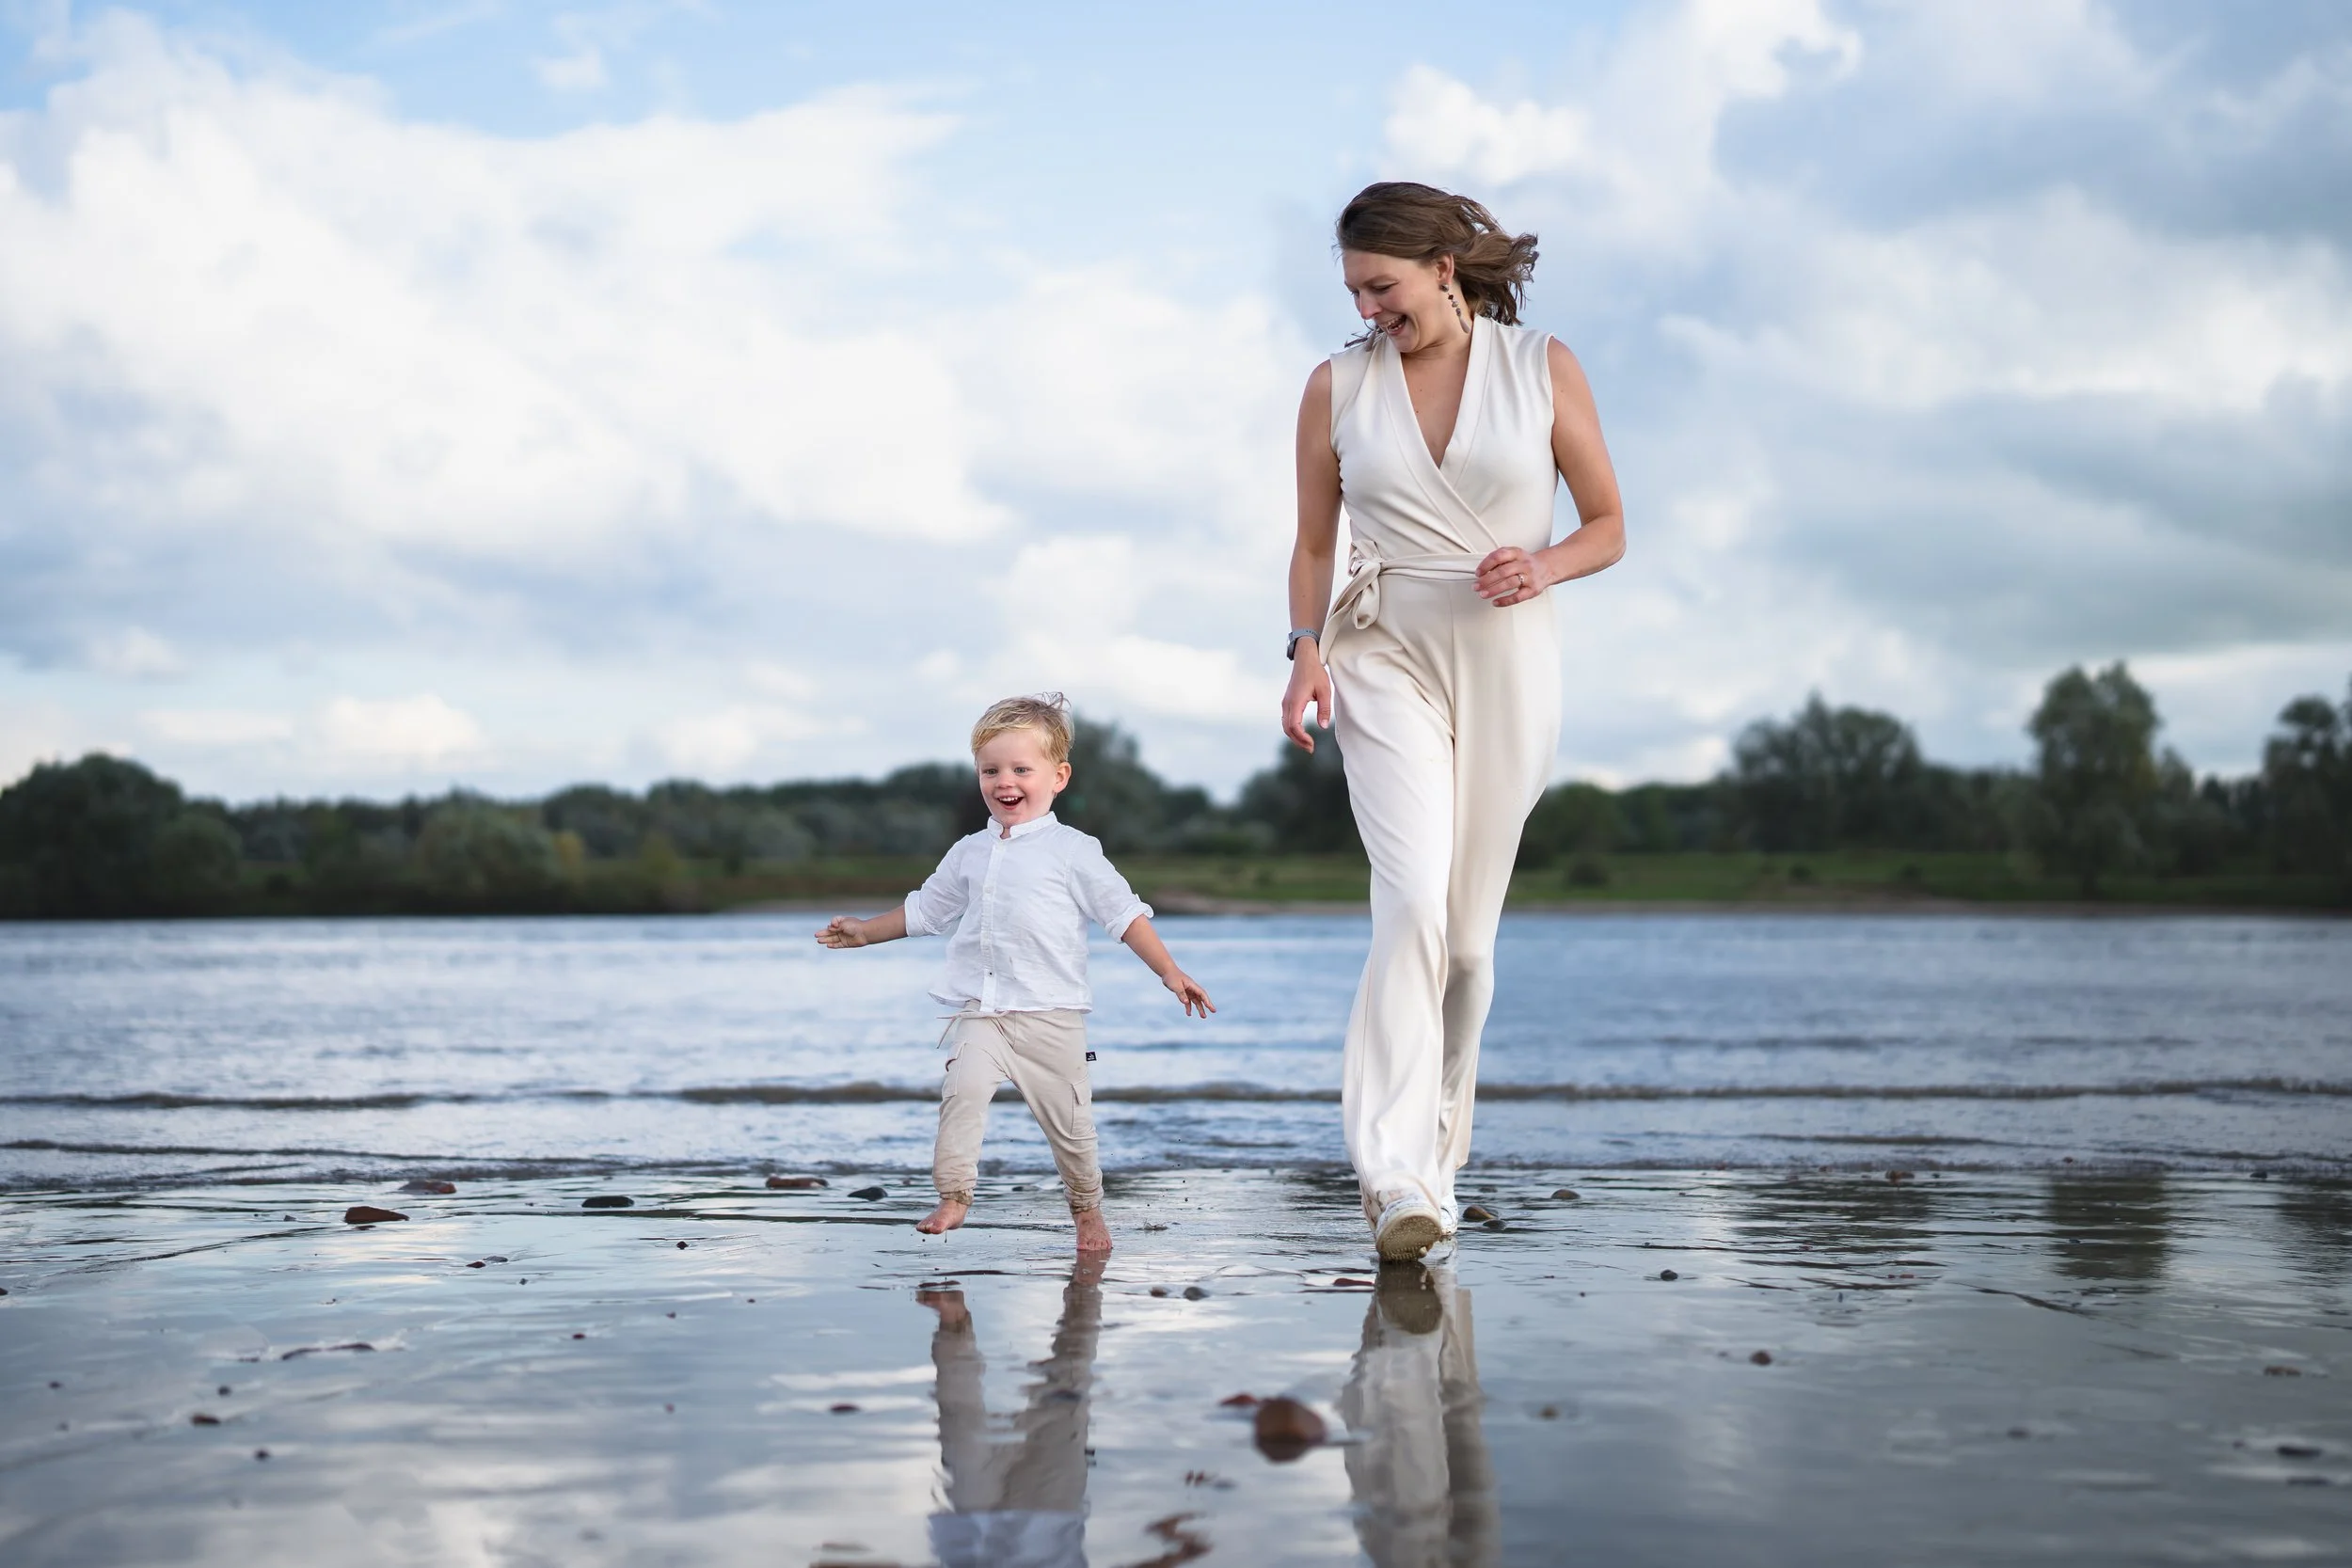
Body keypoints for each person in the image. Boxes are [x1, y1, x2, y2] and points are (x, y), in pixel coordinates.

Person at [1280, 182, 1625, 1260]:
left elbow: (1609, 523)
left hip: (1507, 657)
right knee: (1412, 905)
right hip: (1380, 650)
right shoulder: (1335, 387)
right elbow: (1310, 543)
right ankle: (1390, 1178)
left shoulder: (1543, 367)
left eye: (1382, 286)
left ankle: (1436, 1157)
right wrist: (1301, 651)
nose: (1368, 307)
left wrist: (1547, 561)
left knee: (1468, 949)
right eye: (1353, 291)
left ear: (1442, 265)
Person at [816, 693, 1214, 1254]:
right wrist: (865, 930)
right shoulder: (969, 852)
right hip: (981, 1011)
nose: (1005, 781)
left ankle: (1087, 1212)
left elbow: (1123, 914)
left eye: (1022, 769)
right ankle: (955, 1196)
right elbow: (926, 911)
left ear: (1059, 776)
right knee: (963, 1091)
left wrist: (1170, 972)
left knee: (1073, 1134)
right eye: (991, 770)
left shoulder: (1074, 851)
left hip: (1052, 1017)